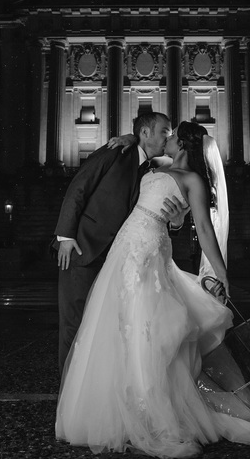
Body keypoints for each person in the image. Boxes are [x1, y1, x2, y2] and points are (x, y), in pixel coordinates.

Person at [56, 121, 250, 457]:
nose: (166, 139)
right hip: (124, 250)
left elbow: (205, 229)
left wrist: (221, 271)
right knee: (113, 325)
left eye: (171, 136)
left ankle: (147, 411)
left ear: (182, 144)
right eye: (163, 133)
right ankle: (113, 402)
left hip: (149, 252)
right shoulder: (152, 165)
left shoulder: (192, 180)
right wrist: (129, 136)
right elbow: (129, 164)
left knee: (146, 328)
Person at [54, 112, 188, 373]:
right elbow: (79, 186)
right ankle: (67, 399)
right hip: (83, 250)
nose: (169, 136)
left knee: (103, 329)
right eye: (165, 131)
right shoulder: (114, 152)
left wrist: (177, 222)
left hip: (119, 262)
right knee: (74, 325)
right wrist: (65, 236)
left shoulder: (151, 170)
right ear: (146, 133)